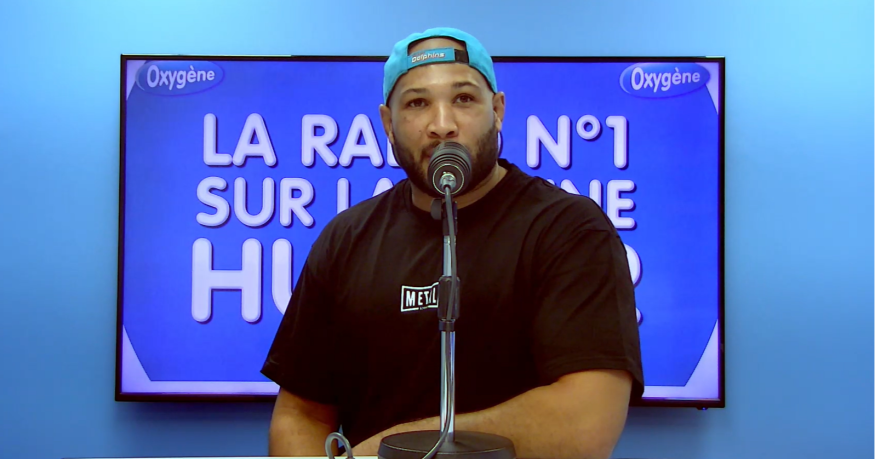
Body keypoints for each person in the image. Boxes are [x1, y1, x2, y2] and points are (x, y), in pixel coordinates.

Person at [261, 27, 644, 459]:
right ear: (388, 124)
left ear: (497, 111)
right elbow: (301, 416)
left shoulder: (569, 229)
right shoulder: (345, 239)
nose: (442, 125)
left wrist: (380, 454)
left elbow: (585, 421)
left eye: (463, 99)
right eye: (417, 103)